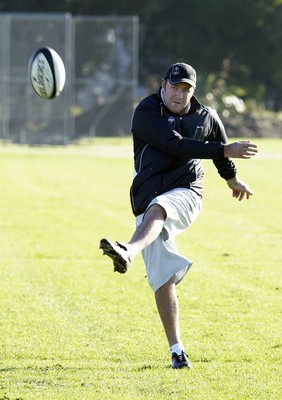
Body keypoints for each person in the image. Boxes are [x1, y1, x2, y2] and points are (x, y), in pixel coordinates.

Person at [99, 62, 258, 369]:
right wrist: (225, 150)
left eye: (185, 89)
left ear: (193, 92)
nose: (178, 94)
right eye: (174, 87)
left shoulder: (206, 116)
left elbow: (218, 152)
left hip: (187, 192)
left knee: (161, 207)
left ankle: (128, 250)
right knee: (161, 275)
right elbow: (175, 145)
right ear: (163, 85)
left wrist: (233, 180)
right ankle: (177, 351)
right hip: (147, 194)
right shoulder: (146, 112)